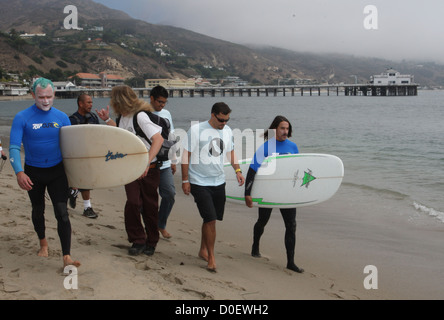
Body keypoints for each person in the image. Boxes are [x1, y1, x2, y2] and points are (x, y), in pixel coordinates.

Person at [8, 77, 80, 268]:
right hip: (33, 172)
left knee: (62, 212)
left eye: (49, 96)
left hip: (57, 171)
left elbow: (71, 151)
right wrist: (19, 172)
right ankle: (43, 242)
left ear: (54, 94)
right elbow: (14, 147)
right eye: (41, 97)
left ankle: (66, 256)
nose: (46, 101)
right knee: (37, 210)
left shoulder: (62, 118)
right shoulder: (22, 118)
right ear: (33, 95)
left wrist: (75, 177)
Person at [96, 85, 164, 256]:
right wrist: (107, 120)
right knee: (133, 202)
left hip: (150, 168)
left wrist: (147, 163)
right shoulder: (122, 117)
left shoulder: (140, 116)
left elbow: (158, 139)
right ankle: (137, 239)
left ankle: (152, 241)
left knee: (150, 206)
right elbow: (122, 134)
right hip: (130, 168)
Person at [182, 102, 245, 272]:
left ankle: (202, 249)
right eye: (221, 120)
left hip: (219, 181)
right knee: (210, 219)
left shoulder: (227, 130)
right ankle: (211, 257)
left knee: (211, 218)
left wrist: (238, 170)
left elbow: (230, 152)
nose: (224, 123)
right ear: (212, 115)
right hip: (199, 181)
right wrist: (185, 180)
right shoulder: (196, 130)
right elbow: (185, 155)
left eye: (227, 120)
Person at [244, 115, 303, 273]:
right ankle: (255, 245)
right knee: (262, 221)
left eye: (287, 128)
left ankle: (290, 261)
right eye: (282, 128)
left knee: (291, 225)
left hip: (287, 193)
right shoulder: (265, 147)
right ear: (275, 129)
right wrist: (247, 193)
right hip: (269, 191)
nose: (285, 131)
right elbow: (252, 171)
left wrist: (299, 191)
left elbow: (297, 171)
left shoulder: (293, 147)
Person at [150, 86, 176, 239]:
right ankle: (150, 224)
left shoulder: (166, 114)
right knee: (148, 198)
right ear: (152, 98)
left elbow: (170, 136)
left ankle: (161, 224)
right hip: (149, 163)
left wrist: (173, 160)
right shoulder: (142, 113)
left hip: (165, 163)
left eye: (165, 102)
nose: (162, 105)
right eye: (160, 102)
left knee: (170, 194)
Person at [68, 93, 99, 218]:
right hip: (75, 156)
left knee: (86, 180)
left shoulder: (93, 117)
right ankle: (84, 203)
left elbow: (98, 135)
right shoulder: (72, 120)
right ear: (80, 104)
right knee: (80, 180)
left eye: (91, 102)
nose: (91, 105)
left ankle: (76, 195)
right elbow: (67, 140)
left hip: (89, 155)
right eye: (88, 102)